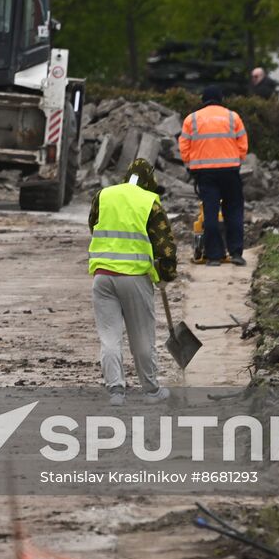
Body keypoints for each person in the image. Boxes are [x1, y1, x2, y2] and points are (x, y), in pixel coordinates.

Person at [89, 158, 177, 405]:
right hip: (134, 279)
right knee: (142, 337)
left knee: (109, 337)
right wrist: (166, 275)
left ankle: (116, 391)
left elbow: (93, 226)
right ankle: (151, 391)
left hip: (102, 278)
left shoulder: (103, 195)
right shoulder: (150, 202)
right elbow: (165, 246)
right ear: (149, 181)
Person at [179, 86, 249, 266]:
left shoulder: (192, 119)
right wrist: (237, 160)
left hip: (205, 173)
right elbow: (243, 145)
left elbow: (184, 147)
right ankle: (236, 253)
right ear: (221, 99)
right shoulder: (233, 117)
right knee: (233, 211)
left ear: (203, 100)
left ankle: (214, 256)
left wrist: (191, 164)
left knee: (210, 212)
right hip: (230, 171)